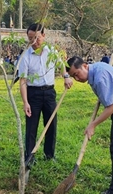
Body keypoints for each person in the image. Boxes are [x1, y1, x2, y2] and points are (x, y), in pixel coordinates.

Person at [66, 56, 113, 194]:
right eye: (73, 76)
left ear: (85, 66)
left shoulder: (99, 78)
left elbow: (111, 107)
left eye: (77, 74)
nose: (76, 78)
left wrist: (93, 124)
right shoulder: (96, 70)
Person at [18, 23, 73, 164]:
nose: (34, 42)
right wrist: (25, 102)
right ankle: (29, 157)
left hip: (49, 93)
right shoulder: (25, 56)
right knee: (31, 127)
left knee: (51, 124)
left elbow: (61, 65)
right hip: (33, 94)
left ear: (43, 35)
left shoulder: (51, 51)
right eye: (30, 38)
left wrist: (66, 77)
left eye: (37, 38)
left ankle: (49, 155)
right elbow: (23, 80)